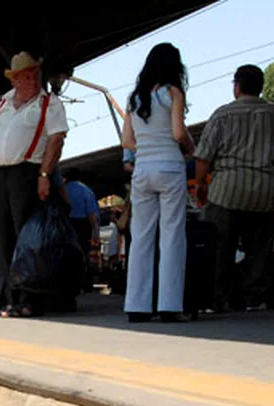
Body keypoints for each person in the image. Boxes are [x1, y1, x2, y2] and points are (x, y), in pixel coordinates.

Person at [194, 64, 274, 312]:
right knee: (259, 249)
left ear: (237, 86)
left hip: (227, 191)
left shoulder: (222, 115)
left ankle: (217, 298)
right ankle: (254, 298)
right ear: (261, 87)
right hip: (266, 192)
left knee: (220, 248)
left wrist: (199, 184)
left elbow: (203, 156)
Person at [0, 51, 69, 317]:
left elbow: (56, 140)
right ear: (14, 80)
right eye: (26, 76)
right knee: (2, 240)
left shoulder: (48, 104)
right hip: (1, 176)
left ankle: (28, 299)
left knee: (26, 239)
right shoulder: (3, 104)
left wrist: (44, 175)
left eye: (36, 75)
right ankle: (8, 298)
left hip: (27, 174)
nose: (33, 81)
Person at [120, 43, 193, 322]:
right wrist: (191, 145)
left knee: (140, 238)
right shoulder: (173, 92)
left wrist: (147, 148)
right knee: (172, 235)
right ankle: (169, 305)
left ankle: (137, 306)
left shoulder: (134, 98)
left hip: (142, 171)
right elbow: (177, 133)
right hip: (170, 168)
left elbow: (127, 141)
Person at [63, 167, 100, 267]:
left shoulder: (62, 190)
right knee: (82, 251)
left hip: (65, 224)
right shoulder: (86, 190)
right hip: (81, 225)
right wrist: (95, 231)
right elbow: (91, 213)